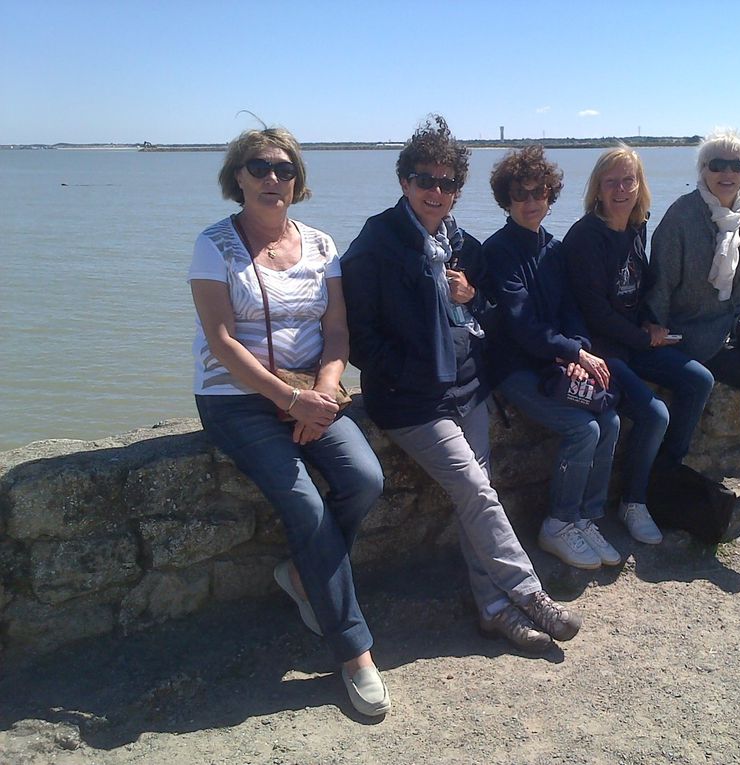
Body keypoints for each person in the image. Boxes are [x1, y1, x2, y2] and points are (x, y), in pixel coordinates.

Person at [341, 116, 580, 653]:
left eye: (448, 183)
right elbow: (358, 338)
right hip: (411, 401)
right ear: (404, 182)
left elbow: (497, 319)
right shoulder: (375, 245)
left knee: (479, 496)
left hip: (468, 390)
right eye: (425, 180)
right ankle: (527, 592)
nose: (437, 191)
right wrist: (410, 372)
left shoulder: (463, 246)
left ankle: (494, 610)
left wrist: (473, 298)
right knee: (475, 489)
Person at [189, 127, 390, 716]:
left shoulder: (322, 245)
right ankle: (355, 652)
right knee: (306, 506)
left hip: (310, 392)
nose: (273, 178)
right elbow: (222, 342)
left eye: (284, 168)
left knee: (364, 480)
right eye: (259, 167)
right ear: (238, 177)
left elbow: (336, 332)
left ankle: (304, 575)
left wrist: (324, 391)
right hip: (235, 398)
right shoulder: (213, 245)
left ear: (298, 180)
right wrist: (287, 400)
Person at [562, 146, 716, 541]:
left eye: (628, 180)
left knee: (698, 380)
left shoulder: (637, 225)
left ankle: (664, 475)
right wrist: (643, 336)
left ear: (639, 184)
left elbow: (641, 286)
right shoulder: (584, 238)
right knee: (655, 415)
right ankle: (633, 501)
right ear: (597, 188)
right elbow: (595, 311)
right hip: (604, 350)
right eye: (610, 182)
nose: (620, 189)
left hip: (635, 341)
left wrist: (651, 322)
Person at [481, 146, 622, 571]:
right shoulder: (498, 252)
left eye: (539, 193)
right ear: (506, 200)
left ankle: (586, 516)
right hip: (516, 368)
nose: (531, 202)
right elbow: (522, 324)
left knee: (610, 420)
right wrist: (572, 351)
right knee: (582, 430)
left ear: (550, 196)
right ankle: (558, 523)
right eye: (521, 195)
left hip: (556, 363)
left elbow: (572, 312)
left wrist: (578, 352)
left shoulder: (555, 250)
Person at [645, 128, 740, 519]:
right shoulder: (681, 215)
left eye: (737, 165)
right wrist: (656, 333)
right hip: (694, 327)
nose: (727, 173)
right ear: (704, 169)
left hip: (738, 316)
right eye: (718, 165)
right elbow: (660, 282)